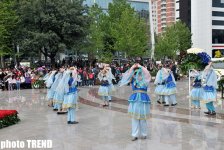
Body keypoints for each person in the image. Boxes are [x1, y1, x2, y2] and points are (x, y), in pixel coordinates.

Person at [119, 63, 151, 141]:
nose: (138, 74)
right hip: (135, 100)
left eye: (140, 72)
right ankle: (134, 135)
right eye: (136, 72)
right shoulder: (133, 79)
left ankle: (144, 134)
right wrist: (132, 67)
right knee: (135, 118)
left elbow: (147, 73)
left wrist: (140, 66)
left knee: (143, 118)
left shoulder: (146, 80)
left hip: (143, 100)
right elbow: (126, 76)